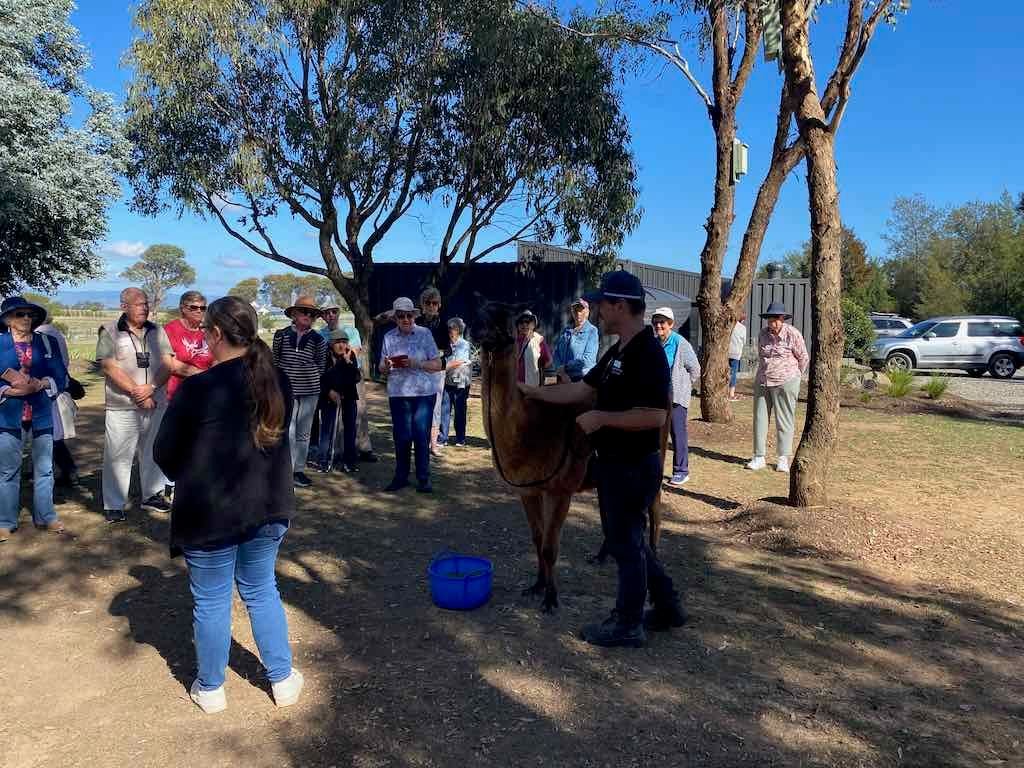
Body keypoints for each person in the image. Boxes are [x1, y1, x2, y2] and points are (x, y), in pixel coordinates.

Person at [519, 271, 686, 648]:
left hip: (633, 464)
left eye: (602, 304)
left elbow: (656, 416)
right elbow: (582, 388)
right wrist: (533, 393)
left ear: (620, 307)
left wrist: (601, 419)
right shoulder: (618, 351)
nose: (596, 310)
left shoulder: (647, 353)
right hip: (613, 463)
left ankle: (628, 624)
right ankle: (668, 605)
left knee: (624, 542)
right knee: (632, 540)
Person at [154, 296, 303, 714]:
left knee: (213, 600)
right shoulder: (278, 380)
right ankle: (283, 679)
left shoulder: (199, 388)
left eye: (205, 330)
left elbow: (165, 454)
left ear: (216, 333)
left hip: (210, 513)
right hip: (269, 505)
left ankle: (211, 687)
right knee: (261, 590)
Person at [96, 288, 175, 523]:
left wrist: (150, 388)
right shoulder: (109, 331)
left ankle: (151, 495)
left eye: (146, 303)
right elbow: (109, 367)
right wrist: (136, 392)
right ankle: (114, 504)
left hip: (155, 402)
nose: (145, 307)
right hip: (122, 406)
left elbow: (168, 364)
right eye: (139, 303)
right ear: (124, 306)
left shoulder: (157, 330)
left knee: (153, 452)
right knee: (118, 455)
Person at [0, 296, 69, 540]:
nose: (27, 319)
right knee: (8, 471)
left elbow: (62, 378)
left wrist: (43, 383)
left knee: (45, 469)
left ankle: (46, 516)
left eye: (30, 315)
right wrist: (7, 390)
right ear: (8, 319)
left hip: (41, 414)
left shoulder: (47, 343)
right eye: (20, 314)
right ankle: (6, 522)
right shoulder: (0, 344)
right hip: (8, 416)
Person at [379, 297, 443, 493]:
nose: (405, 319)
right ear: (395, 318)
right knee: (402, 437)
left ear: (414, 316)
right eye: (401, 316)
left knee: (421, 435)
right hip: (398, 394)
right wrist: (387, 366)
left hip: (424, 394)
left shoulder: (425, 334)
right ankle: (401, 477)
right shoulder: (388, 337)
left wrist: (418, 363)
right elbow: (381, 367)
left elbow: (438, 365)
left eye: (409, 315)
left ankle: (424, 478)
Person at [272, 295, 327, 488]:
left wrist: (309, 376)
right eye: (304, 312)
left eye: (312, 314)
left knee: (304, 431)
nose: (308, 316)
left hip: (310, 390)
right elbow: (275, 361)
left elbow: (321, 364)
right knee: (288, 430)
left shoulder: (319, 339)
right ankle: (286, 469)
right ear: (294, 314)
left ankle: (299, 470)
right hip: (286, 390)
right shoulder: (281, 335)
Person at [747, 301, 809, 474]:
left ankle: (783, 458)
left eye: (776, 318)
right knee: (760, 419)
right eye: (770, 318)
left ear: (783, 319)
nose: (773, 322)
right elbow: (761, 354)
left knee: (784, 420)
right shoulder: (763, 334)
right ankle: (758, 456)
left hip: (786, 381)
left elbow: (803, 357)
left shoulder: (792, 334)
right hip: (763, 380)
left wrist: (794, 376)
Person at [651, 307, 700, 486]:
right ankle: (656, 468)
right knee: (657, 435)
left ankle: (681, 471)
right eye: (656, 322)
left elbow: (695, 369)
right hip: (657, 397)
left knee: (678, 434)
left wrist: (683, 386)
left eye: (662, 322)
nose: (659, 325)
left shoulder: (680, 343)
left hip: (676, 397)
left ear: (671, 324)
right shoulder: (654, 343)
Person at [36, 315, 79, 487]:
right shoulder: (57, 334)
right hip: (58, 386)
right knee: (52, 436)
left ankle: (68, 469)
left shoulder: (40, 336)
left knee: (50, 436)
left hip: (47, 390)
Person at [317, 329, 361, 473]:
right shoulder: (324, 356)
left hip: (348, 395)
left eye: (344, 342)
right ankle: (323, 460)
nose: (342, 345)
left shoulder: (350, 355)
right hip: (329, 395)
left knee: (350, 429)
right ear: (331, 344)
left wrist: (348, 362)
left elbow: (356, 378)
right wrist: (329, 391)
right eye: (338, 342)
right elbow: (321, 377)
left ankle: (350, 461)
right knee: (326, 429)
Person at [416, 287, 450, 457]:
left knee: (436, 406)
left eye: (434, 303)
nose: (431, 306)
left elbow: (448, 350)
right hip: (417, 370)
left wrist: (434, 355)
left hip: (436, 370)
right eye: (427, 303)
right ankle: (420, 442)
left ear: (439, 305)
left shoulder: (444, 325)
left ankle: (434, 444)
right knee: (418, 405)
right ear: (422, 304)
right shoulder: (416, 323)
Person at [339, 320, 378, 463]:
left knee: (360, 411)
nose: (330, 315)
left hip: (354, 375)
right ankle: (343, 450)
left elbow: (356, 350)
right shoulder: (322, 333)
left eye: (333, 312)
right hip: (336, 375)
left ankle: (364, 448)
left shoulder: (352, 331)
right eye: (326, 313)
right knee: (338, 415)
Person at [164, 291, 213, 402]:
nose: (199, 311)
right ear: (183, 309)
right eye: (194, 307)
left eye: (203, 308)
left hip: (205, 393)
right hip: (177, 395)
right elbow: (170, 363)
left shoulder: (209, 331)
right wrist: (204, 374)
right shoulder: (170, 330)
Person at [438, 318, 471, 447]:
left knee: (460, 412)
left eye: (455, 329)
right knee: (444, 410)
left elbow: (460, 361)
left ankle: (460, 438)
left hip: (461, 383)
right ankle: (442, 438)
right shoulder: (445, 344)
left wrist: (443, 366)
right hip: (447, 382)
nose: (452, 332)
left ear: (459, 331)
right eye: (450, 329)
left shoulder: (464, 344)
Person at [552, 297, 599, 383]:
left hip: (582, 380)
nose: (578, 313)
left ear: (587, 312)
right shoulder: (566, 331)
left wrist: (565, 368)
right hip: (562, 379)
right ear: (572, 313)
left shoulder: (592, 331)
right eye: (575, 310)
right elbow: (556, 354)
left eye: (581, 310)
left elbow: (588, 360)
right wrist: (561, 373)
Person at [515, 310, 552, 386]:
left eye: (527, 322)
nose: (524, 325)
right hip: (515, 388)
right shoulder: (513, 342)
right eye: (521, 322)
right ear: (518, 326)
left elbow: (548, 361)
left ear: (533, 324)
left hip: (532, 388)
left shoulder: (539, 340)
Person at [728, 313, 747, 401]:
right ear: (742, 320)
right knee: (733, 373)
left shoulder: (729, 325)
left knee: (724, 372)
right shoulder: (742, 328)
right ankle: (731, 393)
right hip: (736, 353)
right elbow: (744, 341)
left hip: (726, 352)